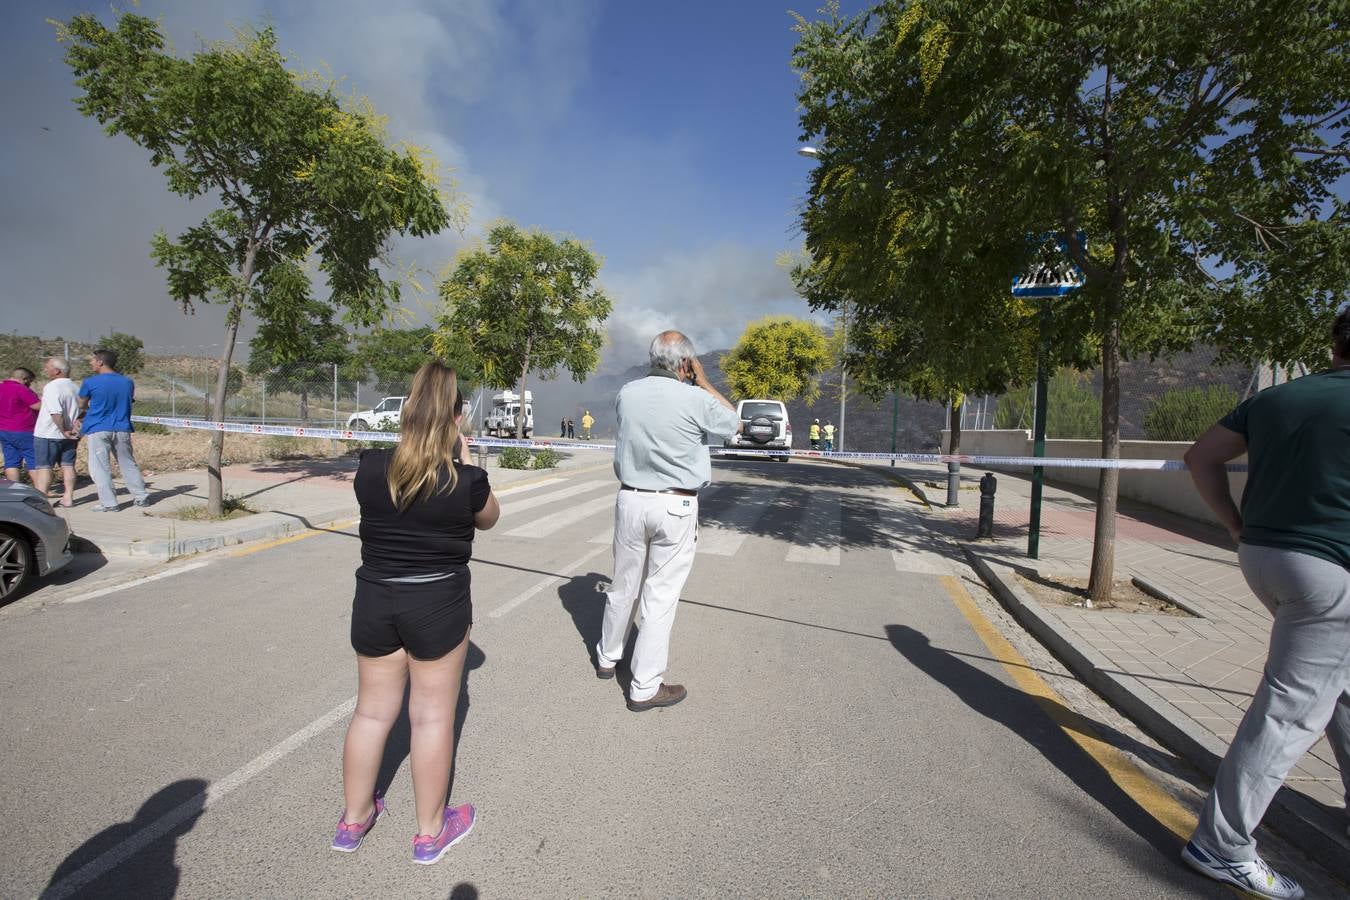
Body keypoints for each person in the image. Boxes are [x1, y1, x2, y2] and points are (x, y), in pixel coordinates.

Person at [1179, 307, 1350, 900]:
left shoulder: (1279, 398)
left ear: (1335, 345)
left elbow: (1199, 457)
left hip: (1264, 556)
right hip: (1332, 574)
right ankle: (1221, 845)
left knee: (1339, 685)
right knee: (1290, 711)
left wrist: (1233, 523)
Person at [336, 362, 500, 865]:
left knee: (370, 711)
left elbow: (396, 490)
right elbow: (490, 519)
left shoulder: (368, 467)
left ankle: (353, 819)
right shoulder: (467, 481)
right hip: (438, 603)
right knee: (430, 717)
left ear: (407, 410)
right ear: (455, 416)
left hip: (376, 599)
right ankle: (430, 832)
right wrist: (466, 457)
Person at [596, 331, 741, 711]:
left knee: (623, 583)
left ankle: (608, 657)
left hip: (630, 499)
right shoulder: (695, 398)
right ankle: (644, 686)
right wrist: (705, 382)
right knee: (660, 596)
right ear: (685, 363)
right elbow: (733, 424)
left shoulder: (627, 393)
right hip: (675, 505)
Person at [78, 348, 149, 511]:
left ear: (100, 362)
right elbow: (129, 400)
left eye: (93, 360)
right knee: (128, 463)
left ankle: (109, 503)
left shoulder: (90, 382)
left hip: (97, 428)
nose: (91, 362)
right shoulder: (127, 382)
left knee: (100, 467)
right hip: (122, 427)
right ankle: (141, 497)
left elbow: (81, 404)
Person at [32, 358, 81, 508]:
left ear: (57, 371)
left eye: (48, 367)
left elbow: (55, 411)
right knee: (68, 465)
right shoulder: (75, 387)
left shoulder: (52, 387)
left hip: (48, 433)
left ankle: (40, 502)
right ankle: (68, 497)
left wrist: (63, 429)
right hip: (71, 435)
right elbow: (84, 409)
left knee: (44, 467)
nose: (45, 370)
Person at [0, 367, 40, 483]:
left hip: (3, 429)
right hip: (23, 430)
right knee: (33, 461)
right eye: (30, 381)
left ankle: (15, 488)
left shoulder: (1, 387)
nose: (30, 384)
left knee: (11, 462)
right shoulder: (21, 389)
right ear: (25, 379)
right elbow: (36, 406)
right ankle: (41, 489)